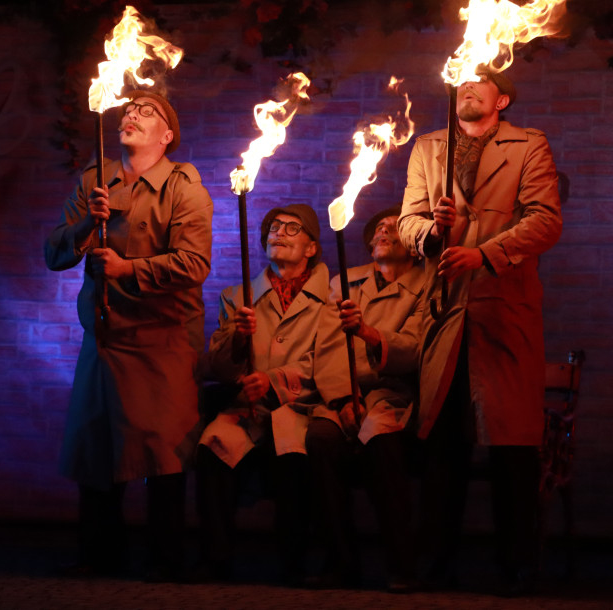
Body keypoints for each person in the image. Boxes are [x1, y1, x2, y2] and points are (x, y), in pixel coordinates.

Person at [398, 67, 562, 596]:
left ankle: (517, 567)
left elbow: (544, 220)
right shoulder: (428, 147)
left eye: (481, 81)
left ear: (502, 98)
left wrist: (485, 253)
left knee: (511, 446)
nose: (468, 87)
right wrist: (431, 233)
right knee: (443, 443)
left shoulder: (528, 144)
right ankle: (432, 567)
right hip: (445, 310)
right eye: (461, 81)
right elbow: (408, 222)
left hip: (501, 307)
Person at [43, 89, 213, 582]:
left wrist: (126, 268)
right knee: (97, 446)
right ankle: (99, 555)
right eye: (130, 109)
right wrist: (82, 226)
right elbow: (54, 253)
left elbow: (194, 264)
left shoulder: (185, 187)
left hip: (161, 338)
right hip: (105, 337)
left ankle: (165, 559)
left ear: (167, 135)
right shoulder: (95, 180)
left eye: (149, 112)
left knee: (163, 451)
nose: (133, 115)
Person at [195, 203, 350, 586]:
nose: (278, 232)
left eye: (292, 228)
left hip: (301, 407)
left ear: (312, 247)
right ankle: (217, 558)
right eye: (274, 227)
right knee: (212, 446)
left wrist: (275, 380)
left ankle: (291, 561)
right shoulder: (239, 296)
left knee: (292, 455)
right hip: (249, 409)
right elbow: (220, 365)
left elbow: (326, 359)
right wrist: (237, 338)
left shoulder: (333, 296)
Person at [305, 205, 426, 592]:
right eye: (378, 229)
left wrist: (370, 333)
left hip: (392, 395)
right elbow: (326, 348)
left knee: (383, 442)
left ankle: (401, 563)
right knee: (320, 439)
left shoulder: (427, 286)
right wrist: (342, 401)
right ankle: (340, 561)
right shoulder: (345, 284)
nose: (383, 232)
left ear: (414, 244)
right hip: (343, 393)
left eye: (394, 227)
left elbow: (415, 349)